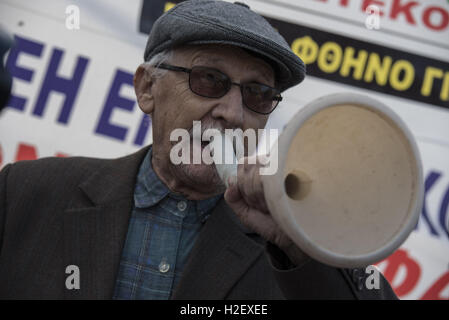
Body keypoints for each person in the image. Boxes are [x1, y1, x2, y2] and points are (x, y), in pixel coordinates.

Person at [0, 0, 397, 299]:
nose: (232, 113)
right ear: (146, 88)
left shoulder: (296, 241)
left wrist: (298, 245)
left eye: (258, 94)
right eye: (209, 79)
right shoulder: (24, 191)